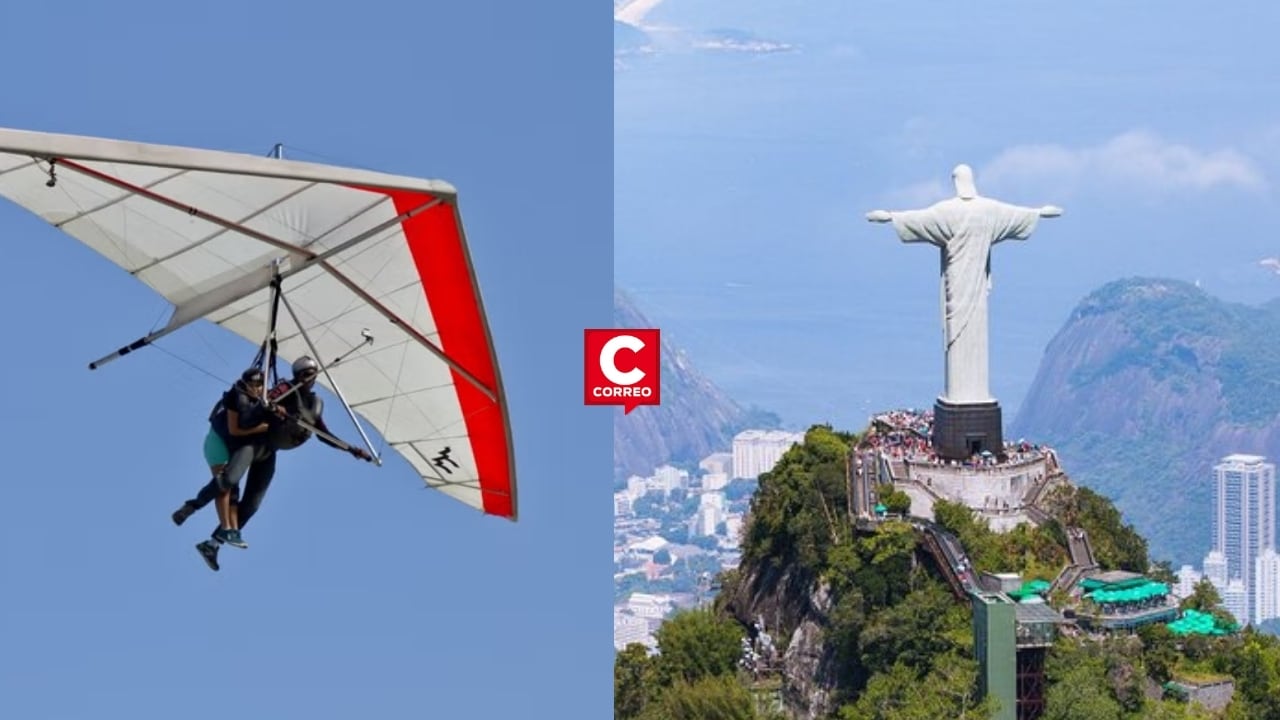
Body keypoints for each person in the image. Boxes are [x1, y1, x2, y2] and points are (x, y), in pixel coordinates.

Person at [173, 356, 371, 571]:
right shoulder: (283, 389)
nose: (308, 378)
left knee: (251, 505)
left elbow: (323, 434)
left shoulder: (315, 404)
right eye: (303, 374)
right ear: (297, 376)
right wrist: (271, 409)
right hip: (254, 444)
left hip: (269, 453)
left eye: (311, 375)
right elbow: (249, 417)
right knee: (229, 479)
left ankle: (212, 545)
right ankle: (191, 506)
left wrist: (350, 449)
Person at [171, 367, 281, 550]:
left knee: (237, 495)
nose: (256, 389)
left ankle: (224, 537)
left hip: (234, 446)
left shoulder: (262, 398)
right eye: (252, 385)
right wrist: (261, 428)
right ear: (245, 384)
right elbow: (235, 430)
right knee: (226, 486)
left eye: (259, 385)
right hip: (218, 444)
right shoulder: (235, 397)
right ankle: (219, 523)